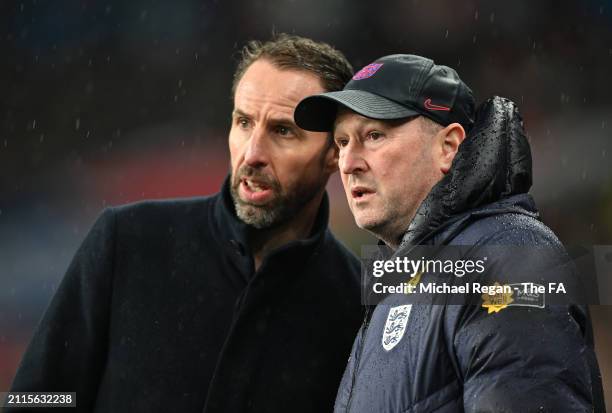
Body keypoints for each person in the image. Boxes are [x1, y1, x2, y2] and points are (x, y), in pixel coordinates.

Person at [8, 34, 363, 413]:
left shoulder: (357, 303)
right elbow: (37, 396)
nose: (253, 153)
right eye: (243, 122)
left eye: (282, 131)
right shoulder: (127, 240)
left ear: (336, 153)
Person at [295, 54, 605, 412]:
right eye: (342, 142)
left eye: (374, 135)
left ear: (449, 146)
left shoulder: (507, 256)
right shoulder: (397, 284)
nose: (348, 163)